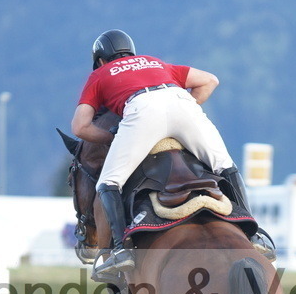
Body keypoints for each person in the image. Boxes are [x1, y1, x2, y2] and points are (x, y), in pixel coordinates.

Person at [71, 29, 271, 279]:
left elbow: (80, 127)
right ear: (132, 52)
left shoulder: (100, 74)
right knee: (225, 166)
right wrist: (184, 113)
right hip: (180, 101)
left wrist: (114, 137)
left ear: (100, 60)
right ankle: (254, 234)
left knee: (108, 183)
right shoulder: (155, 62)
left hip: (141, 111)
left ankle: (121, 250)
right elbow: (210, 80)